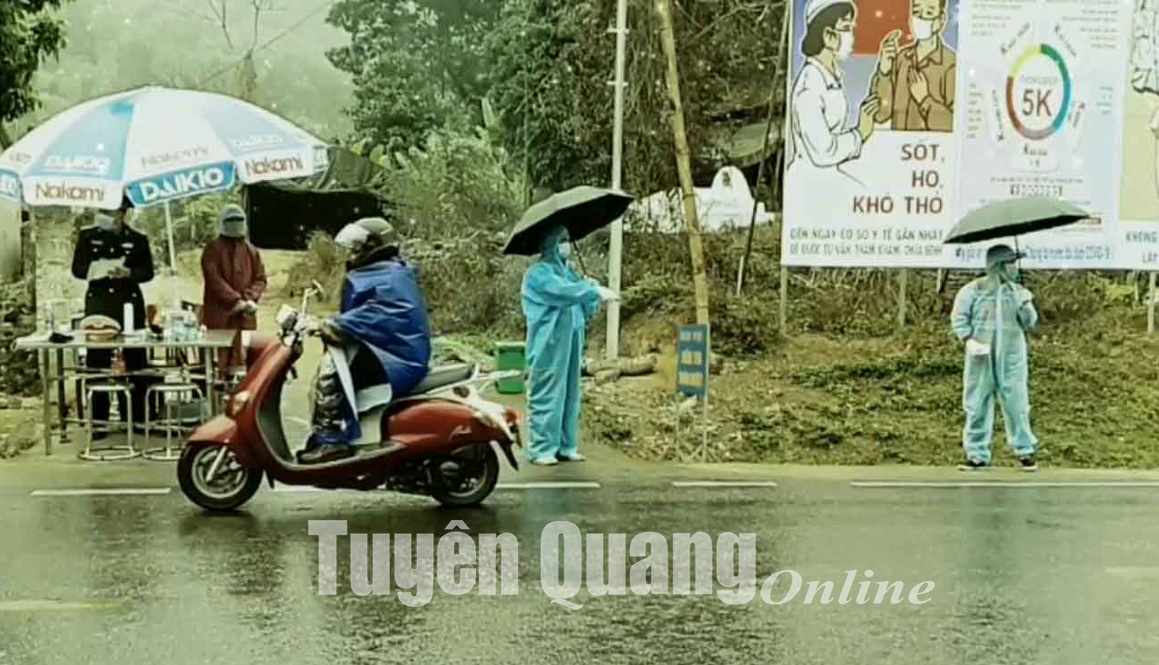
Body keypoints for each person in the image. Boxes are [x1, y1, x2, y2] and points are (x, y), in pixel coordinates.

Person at [300, 217, 431, 464]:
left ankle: (333, 441)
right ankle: (329, 435)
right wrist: (333, 322)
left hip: (400, 356)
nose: (353, 254)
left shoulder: (391, 277)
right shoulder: (385, 271)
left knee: (331, 372)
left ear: (374, 246)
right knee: (336, 362)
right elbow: (366, 314)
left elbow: (377, 314)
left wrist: (332, 324)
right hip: (389, 348)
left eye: (358, 248)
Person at [521, 225, 618, 466]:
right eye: (561, 240)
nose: (565, 245)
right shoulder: (537, 273)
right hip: (549, 343)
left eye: (567, 239)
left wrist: (591, 288)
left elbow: (585, 307)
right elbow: (561, 292)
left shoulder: (569, 273)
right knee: (547, 392)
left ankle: (566, 445)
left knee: (571, 393)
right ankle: (541, 448)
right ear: (549, 243)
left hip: (572, 340)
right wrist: (590, 289)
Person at [950, 244, 1040, 472]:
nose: (1014, 267)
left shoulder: (1018, 292)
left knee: (1017, 402)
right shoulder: (972, 290)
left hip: (1011, 355)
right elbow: (959, 319)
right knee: (976, 403)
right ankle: (977, 454)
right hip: (980, 355)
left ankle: (1025, 450)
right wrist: (968, 340)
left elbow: (1029, 323)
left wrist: (1025, 306)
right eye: (1010, 263)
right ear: (998, 266)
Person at [70, 196, 154, 437]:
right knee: (97, 362)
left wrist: (128, 273)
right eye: (102, 210)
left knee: (136, 362)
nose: (105, 215)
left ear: (122, 213)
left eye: (110, 211)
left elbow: (148, 272)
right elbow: (77, 269)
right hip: (100, 304)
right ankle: (99, 421)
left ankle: (137, 418)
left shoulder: (137, 239)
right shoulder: (88, 237)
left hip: (129, 302)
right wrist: (96, 269)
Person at [786, 0, 879, 188]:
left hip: (827, 177)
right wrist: (859, 133)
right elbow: (823, 152)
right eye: (846, 28)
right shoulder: (809, 87)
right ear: (828, 36)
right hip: (809, 184)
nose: (851, 36)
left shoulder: (831, 78)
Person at [200, 204, 267, 376]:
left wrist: (248, 299)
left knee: (244, 359)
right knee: (220, 360)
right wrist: (235, 300)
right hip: (220, 314)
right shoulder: (212, 249)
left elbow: (260, 279)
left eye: (238, 219)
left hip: (245, 315)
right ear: (222, 222)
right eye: (231, 220)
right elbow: (214, 280)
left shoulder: (251, 251)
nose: (235, 223)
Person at [870, 0, 956, 132]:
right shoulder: (901, 58)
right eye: (916, 12)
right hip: (898, 144)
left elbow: (954, 125)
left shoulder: (951, 64)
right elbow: (880, 115)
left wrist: (924, 100)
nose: (921, 18)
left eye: (929, 13)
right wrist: (884, 70)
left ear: (941, 19)